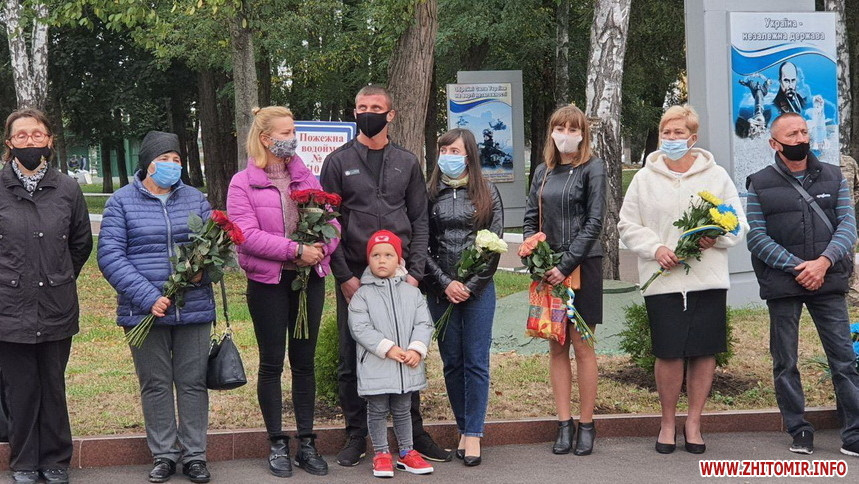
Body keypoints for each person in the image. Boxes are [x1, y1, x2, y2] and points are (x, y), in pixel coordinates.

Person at [320, 85, 449, 465]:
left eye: (376, 107)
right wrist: (344, 276)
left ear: (390, 115)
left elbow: (419, 221)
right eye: (362, 107)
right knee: (352, 356)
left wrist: (415, 275)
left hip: (401, 276)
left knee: (407, 352)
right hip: (356, 275)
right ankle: (356, 435)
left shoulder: (406, 162)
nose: (368, 113)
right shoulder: (337, 162)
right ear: (354, 112)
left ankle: (415, 434)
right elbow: (327, 223)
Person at [619, 105, 748, 455]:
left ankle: (693, 422)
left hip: (707, 278)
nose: (672, 138)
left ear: (693, 138)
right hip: (662, 277)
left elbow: (737, 223)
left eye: (679, 133)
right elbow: (627, 224)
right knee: (669, 351)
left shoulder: (716, 176)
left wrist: (714, 237)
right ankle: (667, 422)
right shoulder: (644, 178)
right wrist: (656, 247)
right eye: (667, 132)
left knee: (704, 350)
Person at [227, 106, 339, 477]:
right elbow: (246, 235)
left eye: (293, 131)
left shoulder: (305, 176)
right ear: (265, 138)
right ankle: (277, 442)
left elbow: (333, 224)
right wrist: (295, 250)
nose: (293, 138)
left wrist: (321, 249)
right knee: (272, 363)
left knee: (304, 363)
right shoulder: (242, 183)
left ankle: (307, 442)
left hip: (309, 282)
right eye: (286, 132)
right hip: (269, 284)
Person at [98, 131, 214, 483]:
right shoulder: (121, 202)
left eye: (176, 160)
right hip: (143, 311)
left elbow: (215, 248)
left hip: (193, 307)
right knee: (155, 384)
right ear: (148, 163)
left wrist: (202, 273)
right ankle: (164, 454)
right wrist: (148, 297)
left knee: (193, 383)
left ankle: (195, 456)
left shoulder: (196, 199)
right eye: (164, 159)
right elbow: (110, 255)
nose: (171, 165)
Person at [746, 112, 859, 458]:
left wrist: (822, 263)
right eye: (792, 135)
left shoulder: (833, 176)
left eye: (803, 132)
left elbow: (848, 227)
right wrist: (798, 267)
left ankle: (853, 433)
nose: (800, 139)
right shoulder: (758, 183)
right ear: (774, 143)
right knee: (785, 361)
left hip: (828, 279)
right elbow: (757, 238)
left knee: (844, 360)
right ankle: (799, 428)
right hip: (783, 283)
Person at [0, 109, 92, 484]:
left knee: (53, 385)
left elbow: (81, 244)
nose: (30, 142)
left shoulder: (67, 189)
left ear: (50, 140)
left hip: (56, 305)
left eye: (37, 135)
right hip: (9, 308)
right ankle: (24, 462)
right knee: (20, 388)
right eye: (21, 136)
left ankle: (56, 459)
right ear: (9, 143)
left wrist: (56, 277)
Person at [523, 103, 605, 456]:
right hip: (548, 269)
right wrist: (534, 254)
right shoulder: (542, 171)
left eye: (573, 129)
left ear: (583, 134)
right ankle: (563, 423)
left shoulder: (593, 168)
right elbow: (531, 218)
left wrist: (567, 263)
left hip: (583, 266)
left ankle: (586, 424)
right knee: (556, 345)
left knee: (582, 346)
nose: (566, 135)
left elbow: (595, 221)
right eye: (560, 128)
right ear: (551, 133)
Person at [424, 128, 503, 466]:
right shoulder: (429, 193)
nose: (448, 157)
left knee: (476, 361)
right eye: (443, 150)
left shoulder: (488, 192)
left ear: (469, 154)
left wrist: (469, 285)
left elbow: (495, 244)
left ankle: (473, 433)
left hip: (478, 292)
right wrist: (444, 283)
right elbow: (421, 244)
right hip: (440, 291)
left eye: (454, 151)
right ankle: (463, 426)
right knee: (452, 362)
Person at [349, 230, 435, 478]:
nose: (382, 260)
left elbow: (423, 323)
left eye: (388, 255)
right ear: (368, 259)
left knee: (403, 408)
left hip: (406, 366)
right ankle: (381, 454)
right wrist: (387, 348)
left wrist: (416, 348)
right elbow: (360, 328)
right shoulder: (362, 295)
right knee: (377, 409)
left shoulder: (412, 293)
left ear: (399, 260)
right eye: (376, 255)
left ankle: (407, 452)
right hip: (377, 364)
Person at [838, 154, 859, 307]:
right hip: (824, 216)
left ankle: (849, 291)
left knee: (849, 252)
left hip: (846, 217)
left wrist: (849, 203)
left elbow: (857, 187)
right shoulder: (817, 163)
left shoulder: (849, 163)